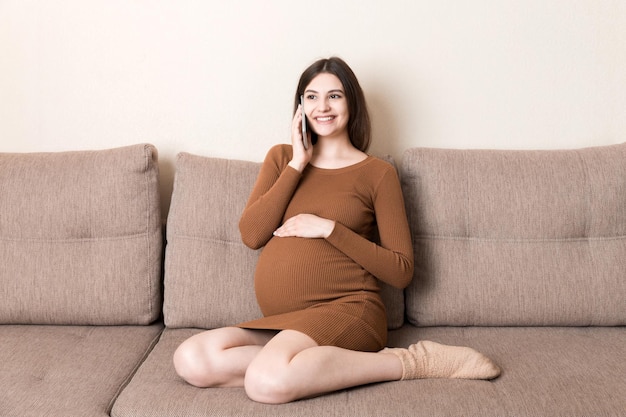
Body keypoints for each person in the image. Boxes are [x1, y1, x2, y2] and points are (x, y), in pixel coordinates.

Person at [173, 57, 500, 404]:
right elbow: (252, 235)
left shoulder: (377, 174)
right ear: (300, 107)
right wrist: (298, 163)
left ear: (351, 103)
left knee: (265, 383)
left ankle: (408, 362)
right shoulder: (282, 159)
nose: (322, 107)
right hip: (289, 322)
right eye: (311, 97)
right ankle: (292, 365)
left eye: (334, 96)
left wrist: (330, 229)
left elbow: (401, 270)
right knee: (191, 359)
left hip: (349, 309)